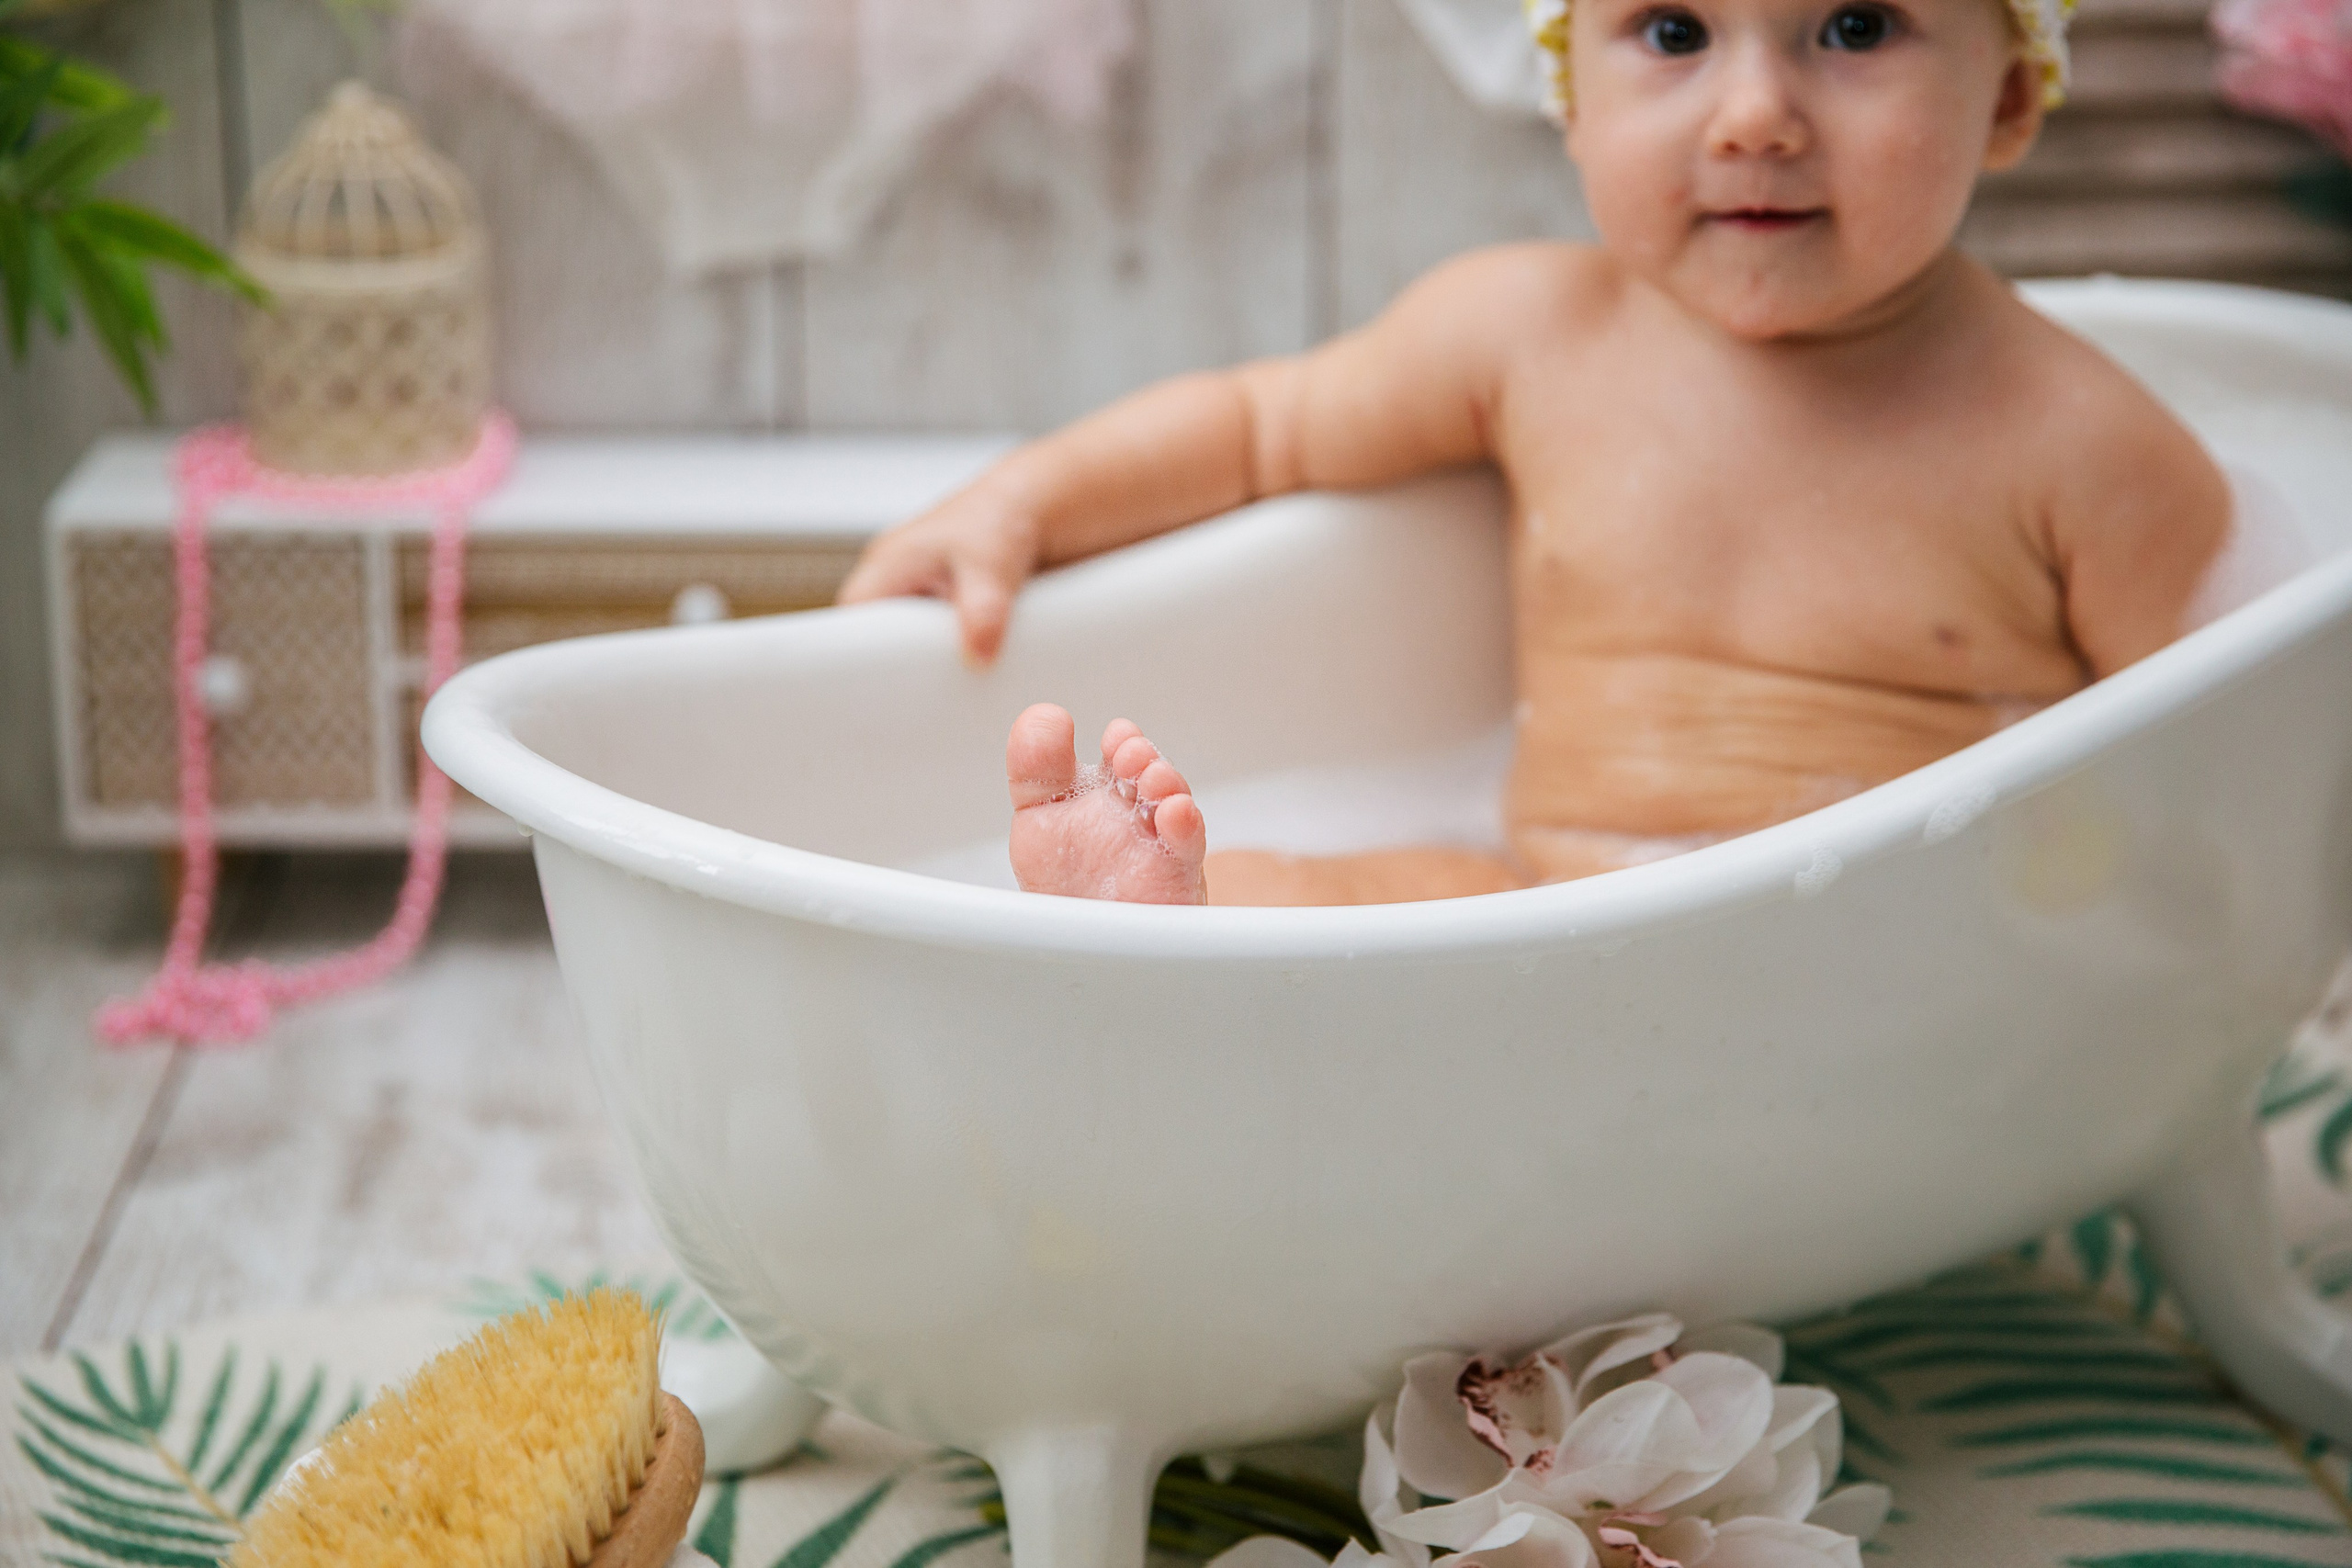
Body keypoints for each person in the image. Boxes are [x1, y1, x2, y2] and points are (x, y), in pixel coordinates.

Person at [839, 0, 2229, 906]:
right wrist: (1021, 502)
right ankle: (1147, 922)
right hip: (1543, 895)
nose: (1754, 114)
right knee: (1310, 899)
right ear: (1572, 94)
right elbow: (1258, 428)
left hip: (1879, 973)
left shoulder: (2081, 441)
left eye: (1854, 27)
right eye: (1675, 33)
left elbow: (2228, 750)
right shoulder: (1529, 333)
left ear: (2008, 99)